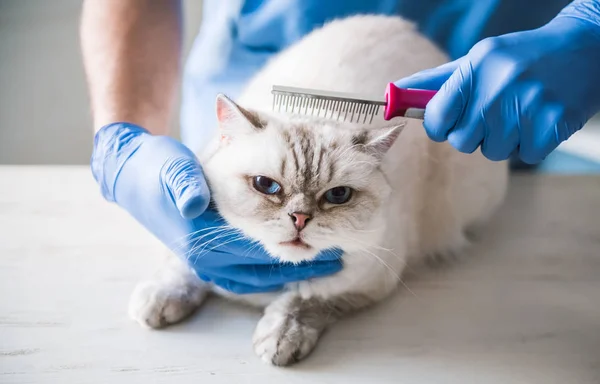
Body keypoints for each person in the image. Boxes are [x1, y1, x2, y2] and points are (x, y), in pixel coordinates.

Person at [80, 0, 600, 294]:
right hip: (258, 100)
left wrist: (591, 30)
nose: (300, 216)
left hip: (484, 106)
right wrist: (121, 135)